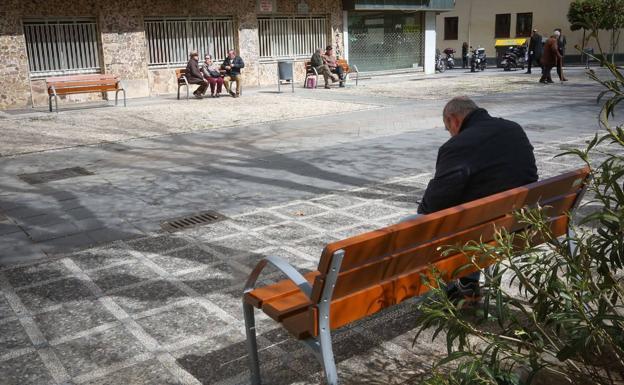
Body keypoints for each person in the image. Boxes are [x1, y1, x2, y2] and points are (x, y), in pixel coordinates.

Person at [417, 96, 538, 303]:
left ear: (453, 119)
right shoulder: (513, 129)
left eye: (448, 128)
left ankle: (449, 289)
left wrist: (423, 208)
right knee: (474, 214)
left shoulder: (457, 146)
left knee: (417, 224)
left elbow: (435, 204)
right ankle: (468, 282)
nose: (451, 134)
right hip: (520, 225)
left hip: (480, 231)